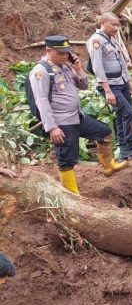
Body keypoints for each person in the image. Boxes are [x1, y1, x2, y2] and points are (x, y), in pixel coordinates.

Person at [29, 36, 125, 194]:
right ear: (48, 51)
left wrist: (78, 68)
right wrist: (52, 128)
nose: (65, 56)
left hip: (77, 116)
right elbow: (42, 101)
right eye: (60, 53)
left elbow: (84, 85)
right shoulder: (40, 72)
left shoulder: (65, 67)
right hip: (61, 121)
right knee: (66, 159)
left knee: (104, 132)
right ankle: (72, 193)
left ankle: (109, 166)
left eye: (67, 53)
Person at [88, 12, 132, 161]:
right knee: (128, 113)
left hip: (121, 82)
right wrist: (107, 91)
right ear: (103, 23)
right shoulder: (96, 41)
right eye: (113, 25)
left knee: (122, 115)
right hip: (110, 85)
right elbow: (98, 68)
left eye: (118, 25)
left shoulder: (112, 40)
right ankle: (131, 148)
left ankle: (124, 152)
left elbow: (123, 67)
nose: (116, 28)